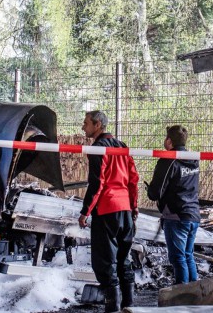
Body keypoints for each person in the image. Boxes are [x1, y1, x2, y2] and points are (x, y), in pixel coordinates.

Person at [78, 110, 139, 312]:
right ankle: (129, 305)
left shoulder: (98, 148)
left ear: (97, 125)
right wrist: (134, 206)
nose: (83, 127)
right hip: (125, 210)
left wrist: (85, 211)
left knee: (106, 261)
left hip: (107, 210)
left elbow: (97, 183)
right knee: (124, 258)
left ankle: (112, 307)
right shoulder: (122, 146)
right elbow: (133, 180)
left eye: (86, 123)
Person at [147, 125, 200, 284]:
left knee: (178, 258)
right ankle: (195, 294)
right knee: (187, 255)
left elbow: (156, 192)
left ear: (169, 141)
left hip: (176, 216)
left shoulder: (168, 160)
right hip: (193, 214)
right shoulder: (193, 158)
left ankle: (182, 296)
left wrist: (151, 192)